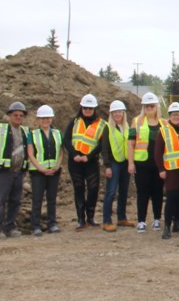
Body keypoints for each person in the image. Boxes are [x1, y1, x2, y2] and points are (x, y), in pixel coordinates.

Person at [0, 101, 31, 238]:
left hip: (19, 172)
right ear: (9, 116)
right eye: (15, 115)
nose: (18, 117)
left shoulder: (25, 131)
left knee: (15, 201)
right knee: (1, 200)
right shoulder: (1, 130)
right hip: (4, 172)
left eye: (20, 115)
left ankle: (10, 227)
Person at [65, 94, 106, 231]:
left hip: (91, 161)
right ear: (81, 108)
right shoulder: (74, 121)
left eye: (90, 108)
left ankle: (91, 217)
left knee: (93, 188)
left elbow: (101, 144)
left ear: (95, 109)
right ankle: (81, 219)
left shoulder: (101, 124)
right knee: (79, 188)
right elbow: (66, 140)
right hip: (75, 162)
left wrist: (88, 156)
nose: (88, 110)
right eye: (85, 108)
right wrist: (74, 154)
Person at [128, 92, 165, 233]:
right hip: (142, 164)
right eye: (147, 106)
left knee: (158, 192)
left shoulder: (164, 123)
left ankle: (157, 219)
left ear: (156, 107)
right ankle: (141, 221)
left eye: (152, 106)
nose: (149, 108)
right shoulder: (136, 121)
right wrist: (130, 163)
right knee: (142, 193)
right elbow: (130, 144)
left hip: (158, 165)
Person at [27, 104, 62, 236]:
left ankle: (52, 223)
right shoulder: (33, 134)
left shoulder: (58, 133)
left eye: (47, 118)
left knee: (51, 198)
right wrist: (41, 168)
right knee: (37, 199)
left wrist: (57, 166)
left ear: (51, 118)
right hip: (38, 173)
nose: (45, 120)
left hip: (54, 171)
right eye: (43, 118)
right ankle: (35, 225)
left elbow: (61, 152)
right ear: (38, 119)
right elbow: (30, 153)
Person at [156, 102, 179, 239]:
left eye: (178, 114)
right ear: (169, 116)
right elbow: (157, 153)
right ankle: (167, 226)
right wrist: (161, 169)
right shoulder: (163, 131)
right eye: (173, 114)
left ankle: (177, 223)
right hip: (171, 171)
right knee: (171, 199)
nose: (176, 117)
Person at [101, 100, 130, 232]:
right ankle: (107, 220)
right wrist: (107, 166)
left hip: (125, 162)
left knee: (124, 191)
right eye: (115, 112)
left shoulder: (126, 127)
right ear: (111, 114)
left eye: (120, 112)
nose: (118, 114)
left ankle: (121, 218)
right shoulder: (108, 128)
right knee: (111, 192)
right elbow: (104, 148)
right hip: (113, 163)